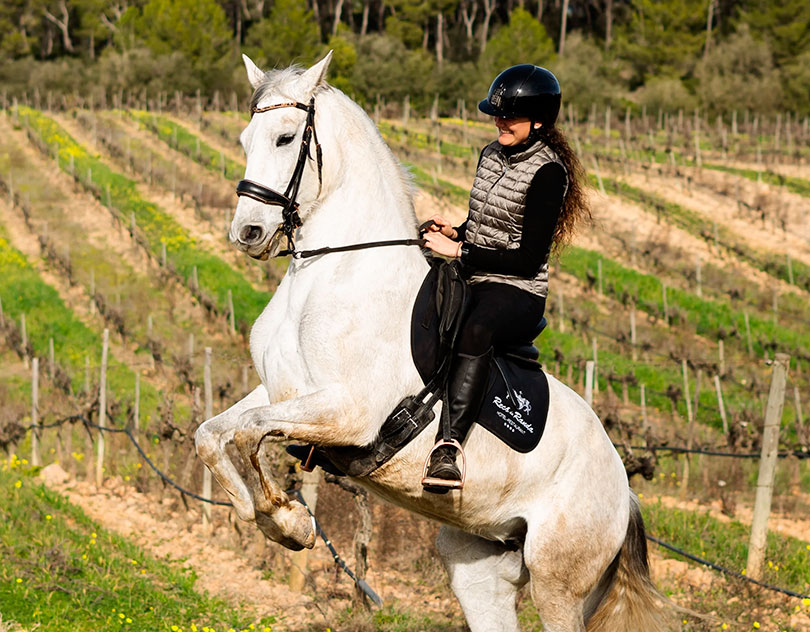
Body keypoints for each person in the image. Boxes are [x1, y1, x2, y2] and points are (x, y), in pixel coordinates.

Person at [420, 64, 590, 492]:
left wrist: (460, 250)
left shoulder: (549, 172)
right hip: (475, 270)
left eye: (508, 117)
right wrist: (457, 231)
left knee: (476, 329)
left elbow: (527, 258)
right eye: (496, 115)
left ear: (537, 121)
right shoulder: (490, 154)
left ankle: (449, 447)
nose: (499, 122)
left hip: (518, 289)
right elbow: (486, 221)